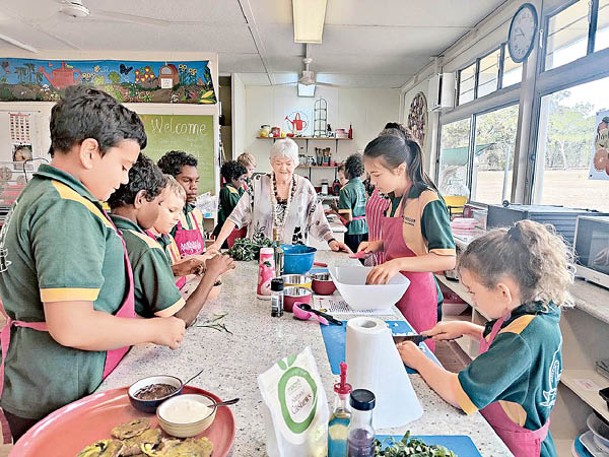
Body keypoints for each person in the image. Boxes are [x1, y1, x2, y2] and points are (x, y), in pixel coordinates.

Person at [0, 86, 185, 441]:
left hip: (39, 379)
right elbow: (73, 327)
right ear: (89, 151)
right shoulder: (66, 208)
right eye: (123, 165)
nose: (125, 180)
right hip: (57, 390)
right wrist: (155, 330)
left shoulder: (42, 194)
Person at [397, 220, 574, 457]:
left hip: (513, 446)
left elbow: (459, 393)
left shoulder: (520, 340)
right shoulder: (539, 309)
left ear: (503, 291)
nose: (473, 300)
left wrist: (417, 359)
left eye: (472, 292)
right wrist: (469, 328)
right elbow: (517, 359)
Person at [108, 155, 235, 328]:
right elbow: (179, 320)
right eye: (159, 202)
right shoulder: (146, 248)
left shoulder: (107, 228)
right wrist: (212, 273)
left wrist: (173, 270)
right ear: (140, 199)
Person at [358, 135, 456, 347]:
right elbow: (408, 239)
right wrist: (378, 244)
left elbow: (447, 259)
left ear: (399, 169)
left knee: (414, 360)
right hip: (394, 288)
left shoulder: (426, 199)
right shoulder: (393, 198)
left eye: (376, 175)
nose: (373, 183)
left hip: (417, 295)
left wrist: (398, 263)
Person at [209, 139, 350, 252]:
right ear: (271, 162)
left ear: (296, 163)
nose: (283, 168)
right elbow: (235, 217)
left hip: (295, 257)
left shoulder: (304, 188)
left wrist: (331, 240)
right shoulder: (258, 185)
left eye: (288, 163)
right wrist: (216, 245)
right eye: (278, 163)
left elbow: (319, 219)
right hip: (260, 257)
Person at [147, 175, 206, 290]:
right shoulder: (147, 245)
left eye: (180, 212)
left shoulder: (168, 239)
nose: (177, 218)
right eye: (172, 210)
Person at [157, 151, 206, 257]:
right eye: (187, 180)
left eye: (196, 181)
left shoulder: (196, 214)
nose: (194, 186)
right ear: (170, 181)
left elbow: (202, 250)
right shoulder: (162, 216)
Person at [336, 154, 368, 254]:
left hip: (353, 230)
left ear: (348, 170)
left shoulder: (345, 189)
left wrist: (334, 209)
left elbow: (347, 217)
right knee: (363, 259)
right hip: (365, 228)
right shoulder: (363, 186)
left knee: (352, 258)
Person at [213, 160, 248, 248]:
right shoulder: (228, 191)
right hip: (226, 232)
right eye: (241, 179)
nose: (243, 182)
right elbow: (239, 210)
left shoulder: (235, 190)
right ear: (233, 179)